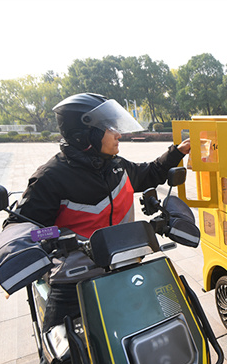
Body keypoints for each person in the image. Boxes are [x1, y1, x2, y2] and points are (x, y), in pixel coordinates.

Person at [2, 93, 190, 360]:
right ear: (84, 135)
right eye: (110, 128)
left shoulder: (116, 167)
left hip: (126, 268)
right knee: (60, 353)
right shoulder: (50, 178)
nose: (118, 135)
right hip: (74, 281)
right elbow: (22, 226)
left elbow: (149, 173)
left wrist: (177, 152)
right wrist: (50, 237)